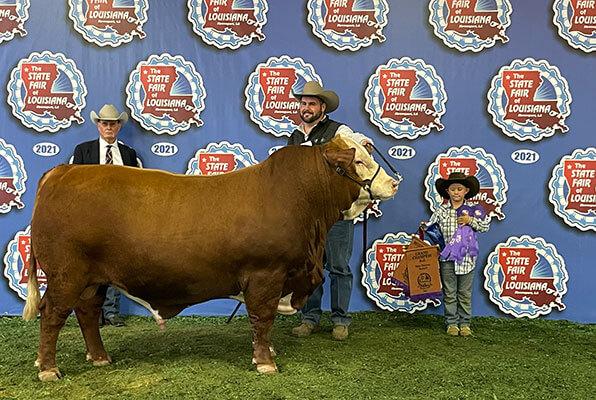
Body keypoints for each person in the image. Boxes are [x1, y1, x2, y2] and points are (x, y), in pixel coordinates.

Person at [288, 81, 372, 341]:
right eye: (303, 103)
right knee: (311, 266)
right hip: (309, 216)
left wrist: (364, 142)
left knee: (338, 267)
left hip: (336, 214)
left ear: (322, 107)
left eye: (312, 103)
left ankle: (340, 320)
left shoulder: (338, 131)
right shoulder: (294, 136)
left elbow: (356, 140)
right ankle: (309, 317)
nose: (306, 108)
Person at [72, 104, 141, 327]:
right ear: (98, 126)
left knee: (113, 265)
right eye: (104, 123)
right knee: (89, 266)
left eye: (113, 123)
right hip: (89, 219)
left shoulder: (129, 155)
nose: (109, 127)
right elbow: (73, 184)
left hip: (120, 219)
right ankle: (92, 312)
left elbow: (139, 187)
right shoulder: (83, 151)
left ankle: (110, 312)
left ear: (119, 126)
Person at [421, 172, 490, 337]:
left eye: (459, 189)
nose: (456, 192)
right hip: (447, 258)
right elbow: (432, 228)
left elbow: (485, 226)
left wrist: (470, 221)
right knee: (450, 291)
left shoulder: (472, 211)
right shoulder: (441, 211)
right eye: (453, 189)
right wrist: (424, 228)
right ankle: (452, 323)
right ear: (447, 191)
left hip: (467, 259)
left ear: (466, 190)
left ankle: (465, 323)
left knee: (464, 293)